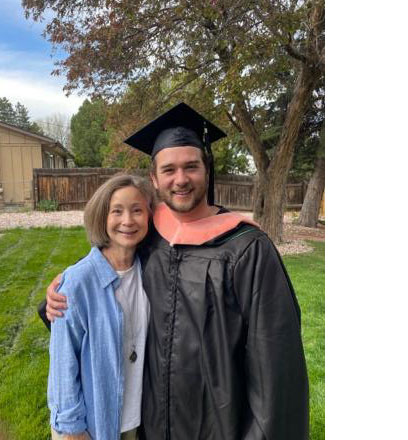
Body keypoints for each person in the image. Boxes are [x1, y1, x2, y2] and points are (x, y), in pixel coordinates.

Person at [44, 103, 309, 439]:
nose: (180, 179)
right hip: (148, 424)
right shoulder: (148, 234)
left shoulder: (247, 248)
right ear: (154, 179)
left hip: (218, 427)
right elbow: (105, 279)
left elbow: (276, 366)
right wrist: (59, 293)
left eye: (191, 167)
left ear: (207, 170)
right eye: (169, 170)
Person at [47, 174, 154, 440]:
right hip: (93, 424)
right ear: (102, 217)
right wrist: (72, 429)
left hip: (132, 420)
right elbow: (62, 364)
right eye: (116, 211)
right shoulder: (77, 283)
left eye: (137, 210)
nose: (128, 221)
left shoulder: (150, 271)